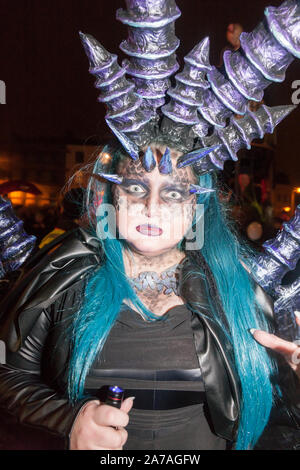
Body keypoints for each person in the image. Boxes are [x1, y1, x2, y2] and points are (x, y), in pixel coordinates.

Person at [0, 0, 299, 451]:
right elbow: (9, 373)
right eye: (136, 190)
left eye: (175, 192)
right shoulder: (68, 277)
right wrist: (68, 420)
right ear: (112, 198)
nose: (152, 207)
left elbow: (279, 415)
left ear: (198, 207)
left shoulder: (241, 288)